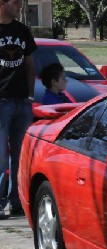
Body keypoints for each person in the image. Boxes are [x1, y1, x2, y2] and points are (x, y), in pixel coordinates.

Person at [0, 0, 37, 219]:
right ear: (3, 3)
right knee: (1, 158)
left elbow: (30, 64)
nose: (20, 7)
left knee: (20, 155)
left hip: (22, 102)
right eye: (16, 3)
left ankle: (16, 202)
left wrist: (30, 96)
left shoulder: (22, 30)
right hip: (1, 101)